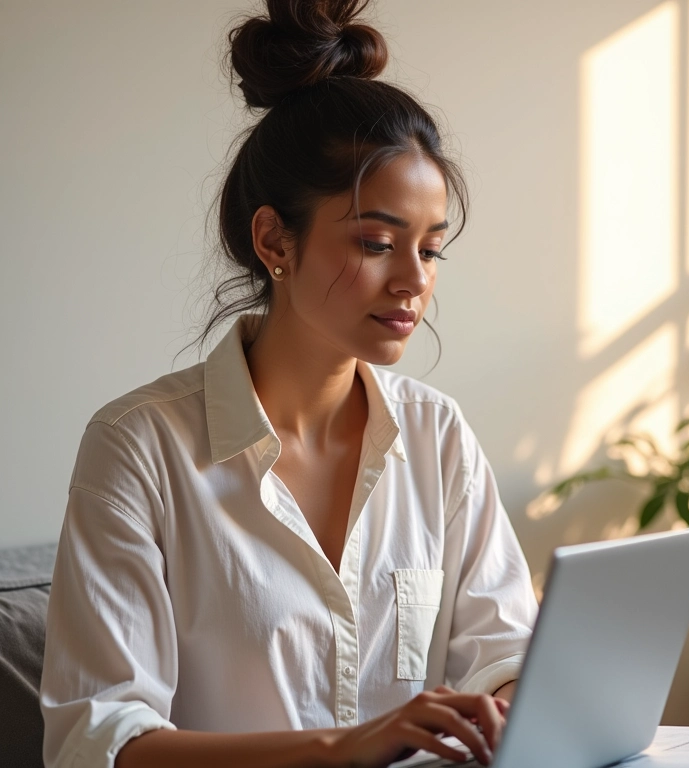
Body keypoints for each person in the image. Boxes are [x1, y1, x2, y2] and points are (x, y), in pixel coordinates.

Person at [39, 1, 539, 767]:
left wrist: (509, 708)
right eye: (377, 242)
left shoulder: (437, 437)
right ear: (274, 238)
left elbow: (506, 654)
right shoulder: (139, 448)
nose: (413, 281)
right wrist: (342, 748)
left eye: (432, 250)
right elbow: (100, 740)